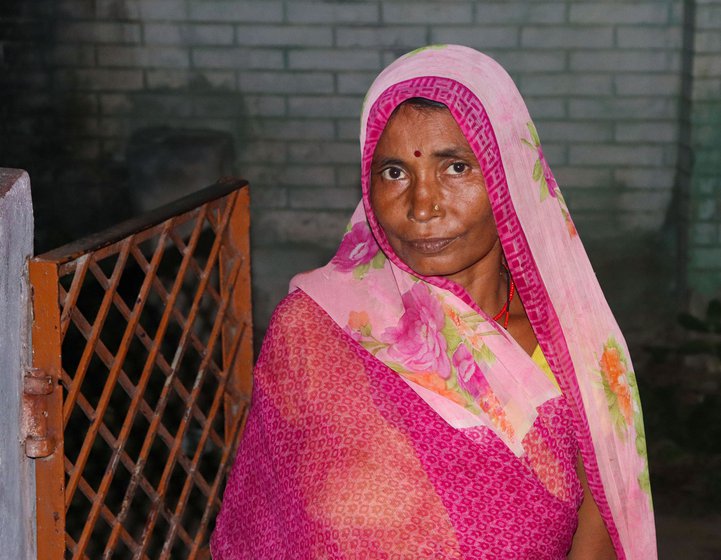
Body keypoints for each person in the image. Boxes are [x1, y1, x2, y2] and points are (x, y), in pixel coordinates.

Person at [211, 45, 657, 559]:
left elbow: (597, 523)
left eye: (456, 168)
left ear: (508, 174)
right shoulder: (317, 328)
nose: (423, 206)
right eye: (395, 173)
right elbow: (269, 526)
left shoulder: (577, 350)